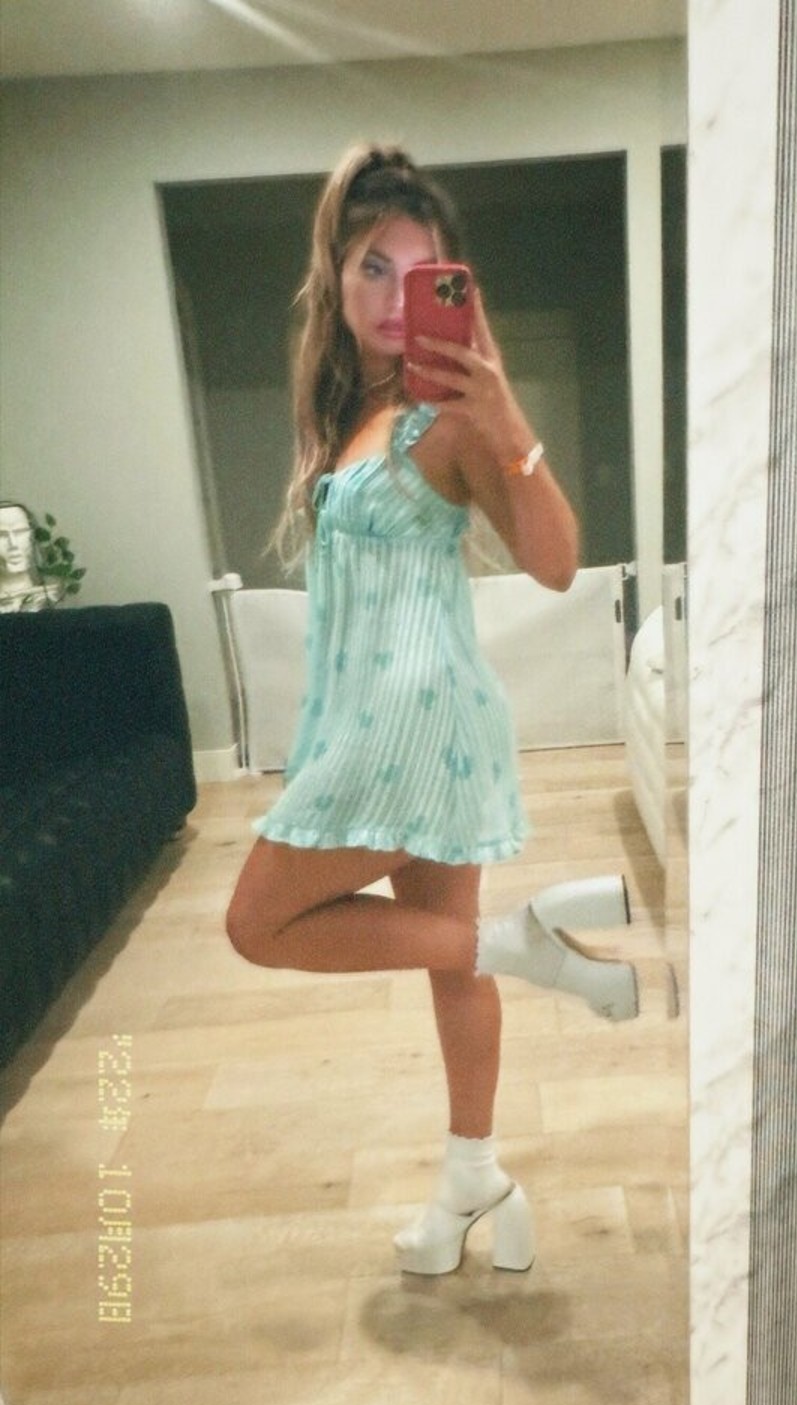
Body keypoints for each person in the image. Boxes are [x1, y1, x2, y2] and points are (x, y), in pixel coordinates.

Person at [225, 145, 638, 1277]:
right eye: (373, 267)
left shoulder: (449, 417)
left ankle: (525, 948)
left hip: (409, 730)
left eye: (420, 273)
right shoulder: (352, 410)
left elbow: (556, 561)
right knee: (454, 972)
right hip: (395, 720)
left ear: (453, 286)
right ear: (336, 277)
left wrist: (506, 413)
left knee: (257, 923)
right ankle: (474, 1179)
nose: (394, 295)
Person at [0, 503, 60, 613]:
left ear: (32, 537)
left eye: (20, 532)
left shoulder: (45, 599)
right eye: (2, 535)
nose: (13, 543)